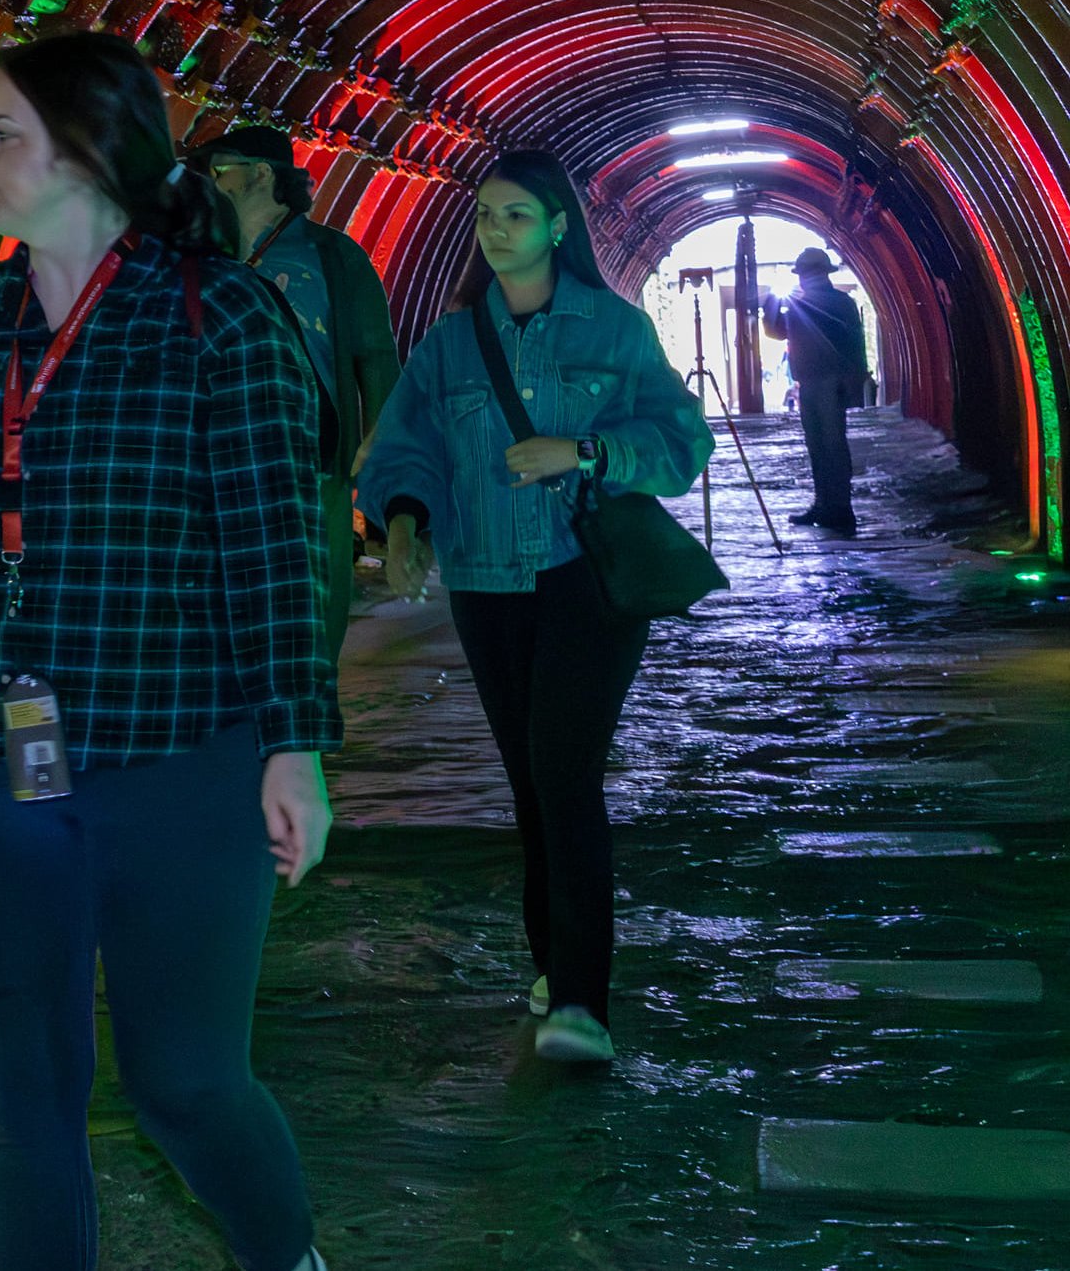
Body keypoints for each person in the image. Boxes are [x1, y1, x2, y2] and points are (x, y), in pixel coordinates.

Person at [0, 34, 337, 1271]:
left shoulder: (217, 318)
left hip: (172, 750)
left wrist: (295, 747)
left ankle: (285, 1256)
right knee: (21, 1094)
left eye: (2, 130)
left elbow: (277, 548)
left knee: (183, 1082)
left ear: (87, 150)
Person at [359, 152, 712, 1065]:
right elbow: (406, 444)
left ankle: (584, 1001)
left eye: (517, 213)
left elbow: (682, 441)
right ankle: (554, 968)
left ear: (559, 225)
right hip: (485, 583)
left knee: (562, 772)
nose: (496, 228)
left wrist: (587, 452)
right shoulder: (449, 344)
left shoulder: (615, 331)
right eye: (486, 213)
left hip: (584, 580)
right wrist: (404, 521)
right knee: (529, 783)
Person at [196, 124, 403, 628]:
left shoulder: (333, 257)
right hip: (213, 464)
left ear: (263, 174)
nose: (208, 182)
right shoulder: (199, 255)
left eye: (219, 171)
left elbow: (376, 359)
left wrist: (382, 461)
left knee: (309, 611)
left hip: (312, 467)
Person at [764, 244, 867, 532]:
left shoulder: (828, 303)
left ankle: (839, 509)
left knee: (830, 445)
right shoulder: (824, 302)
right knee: (819, 445)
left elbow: (853, 343)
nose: (803, 278)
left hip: (827, 382)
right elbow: (777, 330)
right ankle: (826, 505)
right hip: (811, 382)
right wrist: (771, 305)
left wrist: (852, 378)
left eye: (806, 273)